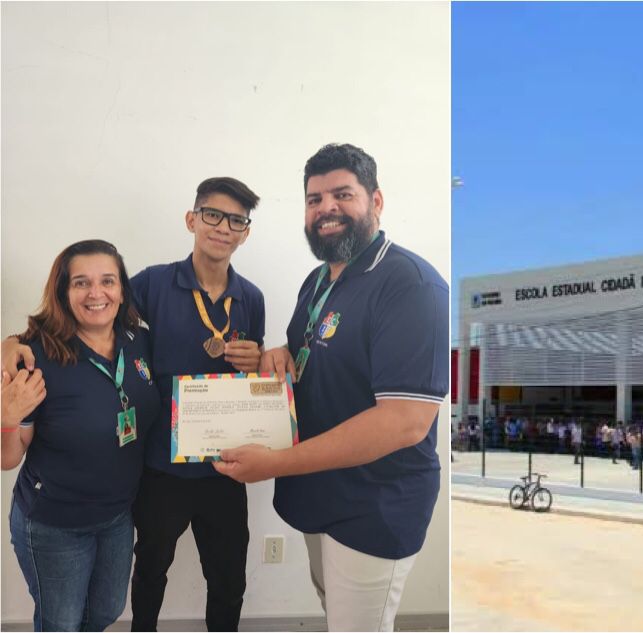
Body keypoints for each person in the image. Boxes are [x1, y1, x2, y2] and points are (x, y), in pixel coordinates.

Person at [3, 180, 265, 632]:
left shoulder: (251, 299)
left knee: (225, 579)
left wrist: (259, 361)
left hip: (226, 468)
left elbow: (253, 377)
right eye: (212, 215)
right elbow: (79, 320)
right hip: (159, 470)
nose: (223, 228)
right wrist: (9, 343)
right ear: (192, 220)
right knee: (146, 577)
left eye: (236, 220)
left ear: (246, 232)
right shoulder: (151, 284)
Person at [214, 143, 448, 631]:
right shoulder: (318, 280)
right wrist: (279, 352)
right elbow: (317, 355)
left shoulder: (411, 286)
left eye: (342, 194)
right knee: (333, 611)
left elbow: (404, 423)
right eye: (314, 199)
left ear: (376, 201)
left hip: (374, 503)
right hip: (320, 492)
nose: (326, 209)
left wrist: (274, 463)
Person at [4, 240, 160, 631]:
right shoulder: (36, 357)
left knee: (104, 613)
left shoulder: (138, 341)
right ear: (63, 292)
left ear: (122, 289)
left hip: (117, 516)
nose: (96, 293)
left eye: (107, 280)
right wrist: (5, 419)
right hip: (55, 522)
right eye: (81, 283)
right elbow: (7, 457)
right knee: (61, 624)